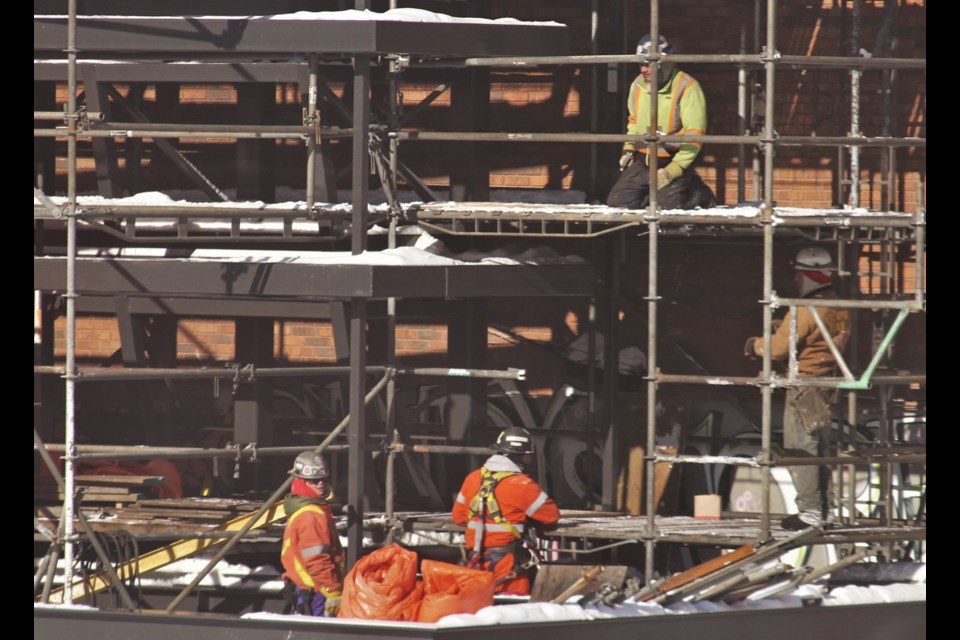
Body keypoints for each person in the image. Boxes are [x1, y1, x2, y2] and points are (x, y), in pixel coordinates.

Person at [744, 247, 850, 530]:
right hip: (827, 384)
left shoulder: (805, 307)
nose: (794, 280)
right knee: (821, 449)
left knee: (801, 449)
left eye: (798, 275)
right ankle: (824, 510)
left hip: (805, 386)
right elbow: (818, 336)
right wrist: (786, 326)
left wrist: (755, 345)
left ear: (809, 275)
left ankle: (810, 513)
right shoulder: (836, 302)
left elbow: (779, 349)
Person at [607, 33, 716, 210]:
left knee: (668, 207)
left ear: (665, 64)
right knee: (619, 201)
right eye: (641, 64)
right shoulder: (637, 85)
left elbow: (695, 135)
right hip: (645, 159)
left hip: (674, 159)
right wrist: (628, 148)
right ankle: (657, 197)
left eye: (649, 64)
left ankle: (697, 193)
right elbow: (633, 120)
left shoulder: (688, 87)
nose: (643, 70)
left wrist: (673, 170)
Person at [452, 426, 560, 595]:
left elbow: (458, 518)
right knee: (510, 611)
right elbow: (551, 516)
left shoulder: (472, 478)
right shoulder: (521, 484)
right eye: (527, 456)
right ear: (518, 456)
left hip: (474, 562)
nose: (529, 461)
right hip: (506, 565)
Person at [280, 451, 344, 616]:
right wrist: (333, 589)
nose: (320, 484)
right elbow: (317, 558)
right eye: (314, 481)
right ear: (301, 481)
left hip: (307, 588)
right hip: (316, 590)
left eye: (323, 479)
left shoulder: (304, 508)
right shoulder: (311, 514)